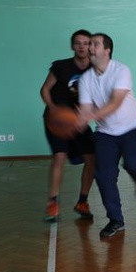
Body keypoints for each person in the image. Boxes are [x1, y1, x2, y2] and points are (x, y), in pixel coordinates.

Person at [78, 33, 136, 239]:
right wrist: (77, 120)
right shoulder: (85, 80)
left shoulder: (121, 70)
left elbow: (115, 102)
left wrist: (90, 115)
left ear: (106, 50)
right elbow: (85, 108)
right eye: (89, 44)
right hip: (105, 133)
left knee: (133, 165)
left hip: (132, 128)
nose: (90, 47)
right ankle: (116, 220)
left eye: (95, 44)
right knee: (104, 176)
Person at [40, 29, 96, 222]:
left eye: (86, 43)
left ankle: (82, 201)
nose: (82, 46)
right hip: (58, 119)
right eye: (78, 43)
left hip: (79, 119)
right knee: (59, 157)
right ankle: (53, 203)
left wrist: (86, 118)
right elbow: (45, 90)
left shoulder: (95, 70)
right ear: (73, 46)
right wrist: (53, 109)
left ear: (91, 46)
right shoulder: (61, 67)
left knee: (92, 159)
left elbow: (97, 99)